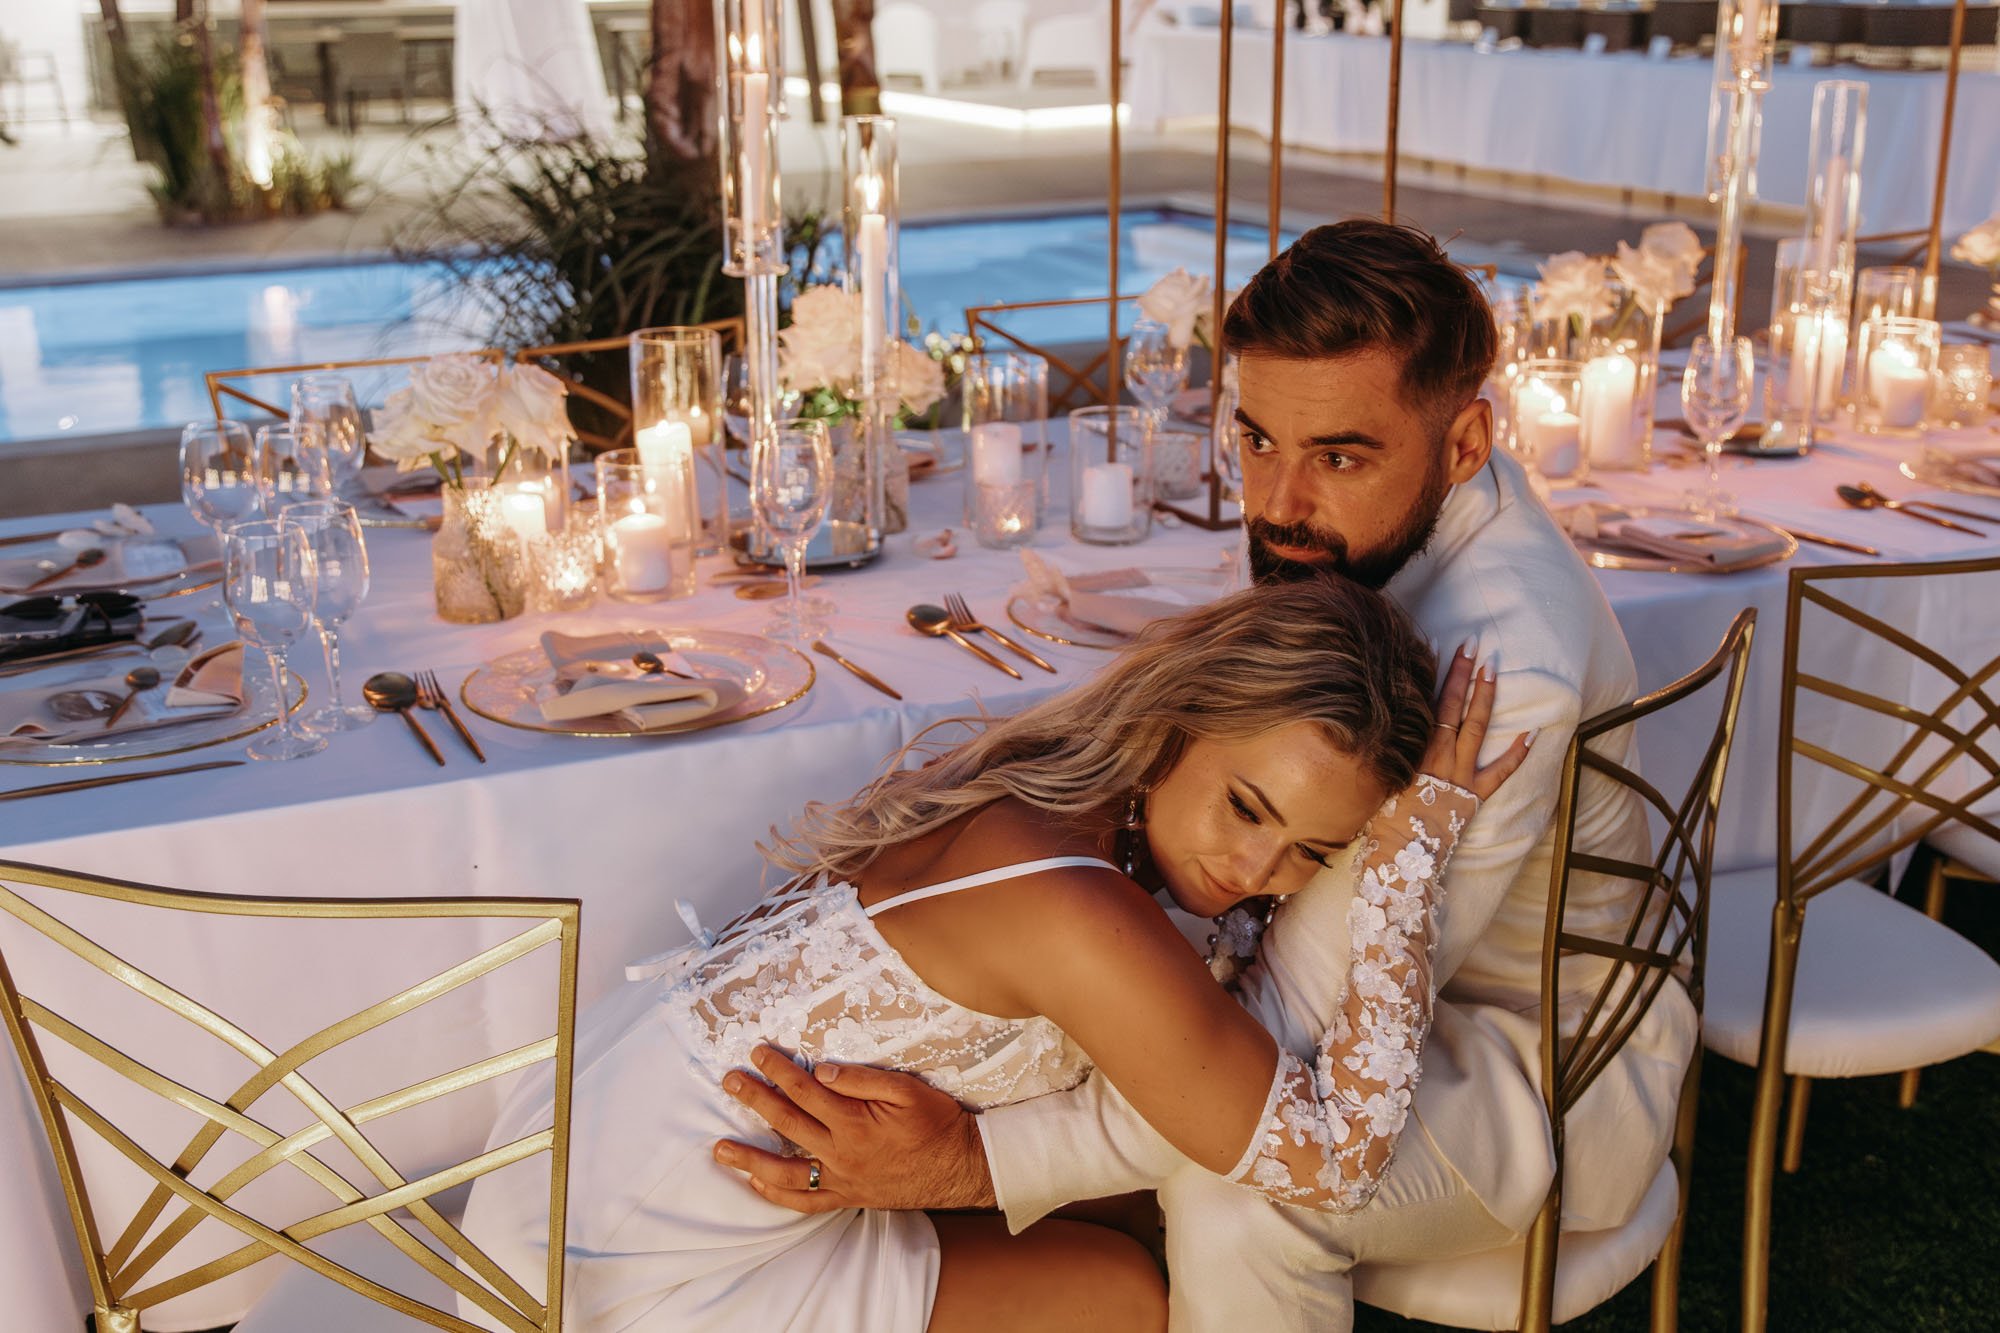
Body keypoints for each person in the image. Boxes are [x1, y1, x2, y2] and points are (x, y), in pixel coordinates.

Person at [717, 220, 1690, 1332]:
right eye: (1256, 439)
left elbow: (1283, 1037)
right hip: (1386, 1006)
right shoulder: (1369, 527)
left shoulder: (1499, 675)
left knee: (1238, 1182)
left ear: (1463, 444)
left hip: (1523, 1067)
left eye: (1337, 456)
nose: (1274, 503)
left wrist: (974, 1162)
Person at [457, 576, 1529, 1332]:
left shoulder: (1053, 793)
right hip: (626, 1272)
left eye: (1317, 853)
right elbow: (1335, 1165)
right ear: (1181, 716)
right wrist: (1397, 872)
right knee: (1120, 1298)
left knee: (1115, 1235)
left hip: (566, 1169)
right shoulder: (1073, 909)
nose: (1257, 868)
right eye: (1247, 807)